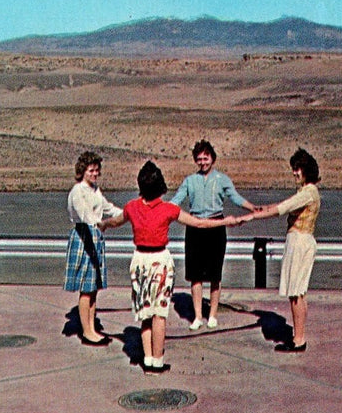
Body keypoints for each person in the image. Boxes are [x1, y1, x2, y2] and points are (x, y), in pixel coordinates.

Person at [99, 160, 239, 374]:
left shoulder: (131, 207)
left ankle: (147, 359)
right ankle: (158, 359)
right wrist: (224, 222)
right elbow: (199, 223)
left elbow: (116, 220)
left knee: (145, 314)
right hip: (160, 262)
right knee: (159, 314)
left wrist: (104, 225)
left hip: (140, 262)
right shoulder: (168, 209)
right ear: (160, 186)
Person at [170, 139, 258, 331]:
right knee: (195, 275)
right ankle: (197, 316)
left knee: (215, 274)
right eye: (199, 159)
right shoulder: (189, 181)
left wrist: (251, 207)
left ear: (212, 158)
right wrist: (162, 210)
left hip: (217, 227)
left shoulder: (222, 179)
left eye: (206, 158)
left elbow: (235, 197)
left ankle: (213, 315)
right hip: (195, 228)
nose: (203, 162)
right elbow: (176, 200)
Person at [239, 148, 321, 353]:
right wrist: (261, 208)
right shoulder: (305, 192)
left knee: (296, 293)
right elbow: (283, 205)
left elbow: (281, 209)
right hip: (299, 241)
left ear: (306, 170)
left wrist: (250, 218)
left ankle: (299, 339)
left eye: (298, 169)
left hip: (300, 242)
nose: (294, 173)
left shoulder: (309, 192)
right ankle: (298, 336)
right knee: (298, 293)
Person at [64, 151, 122, 346]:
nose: (94, 174)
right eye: (91, 170)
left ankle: (92, 327)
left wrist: (129, 214)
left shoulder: (95, 190)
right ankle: (87, 331)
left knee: (94, 287)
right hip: (83, 237)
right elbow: (85, 215)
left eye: (97, 170)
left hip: (95, 236)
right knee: (86, 289)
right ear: (82, 171)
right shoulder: (77, 191)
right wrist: (102, 224)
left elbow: (109, 208)